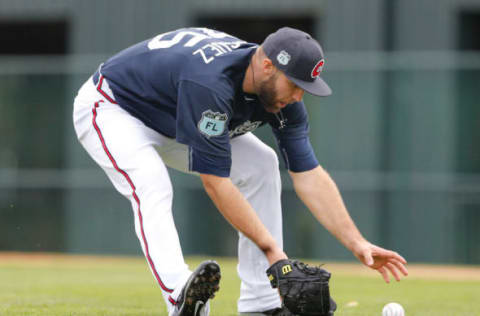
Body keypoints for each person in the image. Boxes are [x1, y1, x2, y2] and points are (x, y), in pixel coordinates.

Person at [73, 27, 408, 316]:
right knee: (151, 183)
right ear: (266, 66)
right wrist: (275, 253)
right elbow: (216, 183)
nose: (298, 96)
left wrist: (357, 242)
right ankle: (179, 295)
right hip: (114, 108)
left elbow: (309, 174)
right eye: (294, 84)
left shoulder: (283, 100)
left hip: (174, 118)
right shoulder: (210, 83)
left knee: (262, 164)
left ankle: (260, 303)